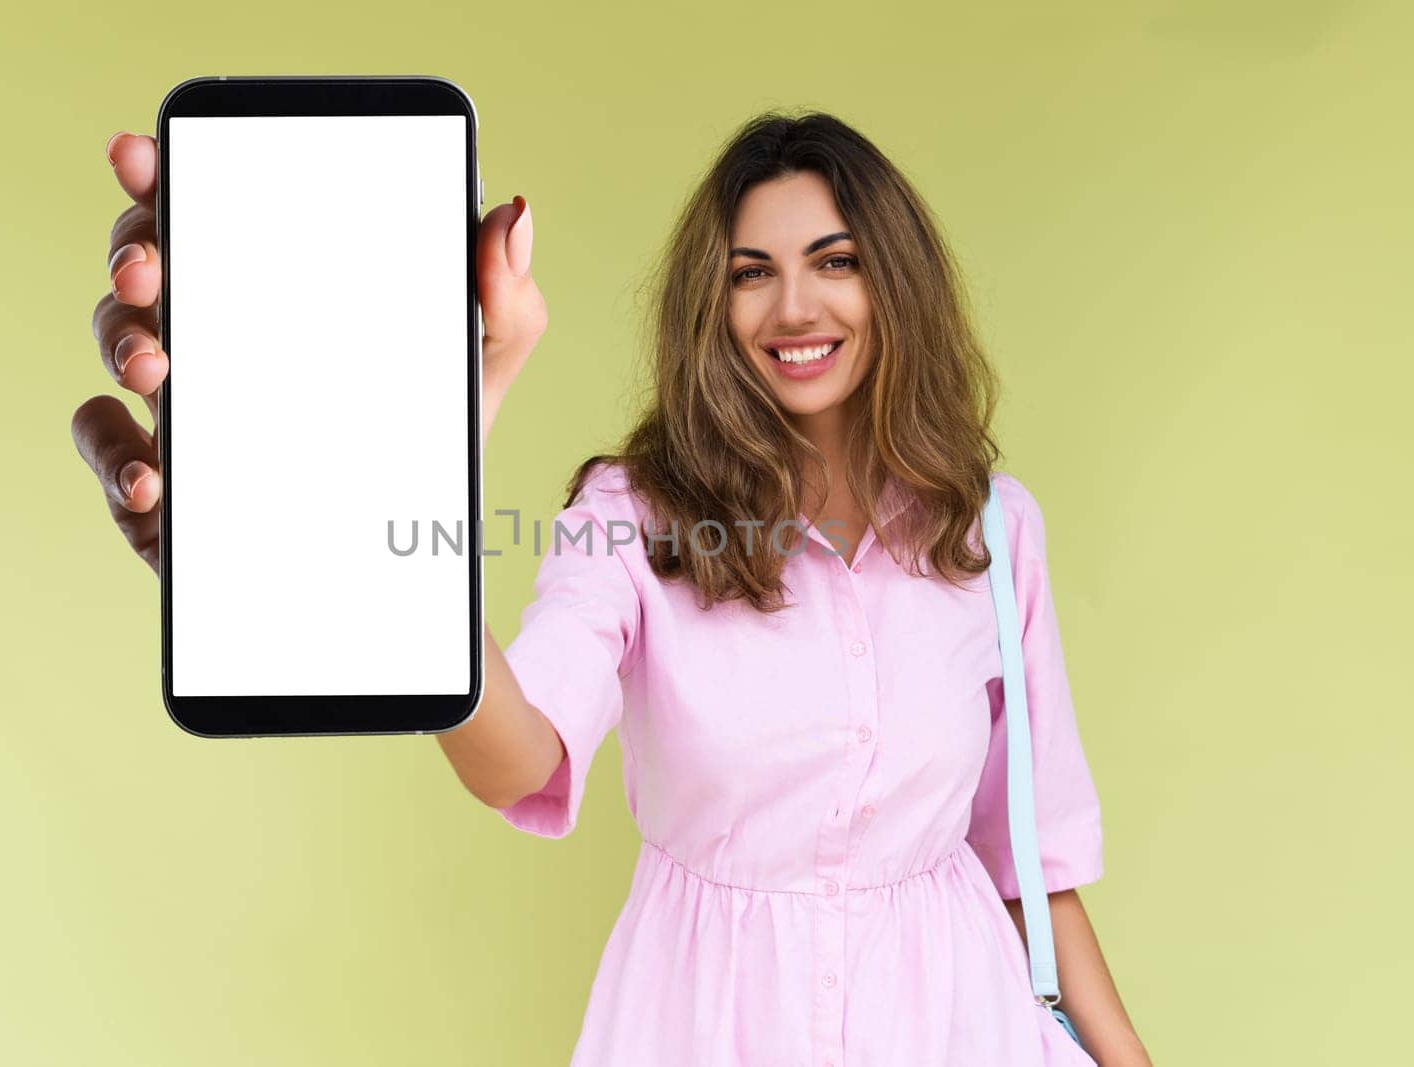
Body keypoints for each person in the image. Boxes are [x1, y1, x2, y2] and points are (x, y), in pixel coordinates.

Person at [75, 111, 1151, 1066]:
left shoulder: (994, 528)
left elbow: (1030, 862)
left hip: (961, 1024)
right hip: (699, 1025)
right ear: (710, 301)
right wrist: (389, 568)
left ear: (895, 283)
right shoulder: (634, 512)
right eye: (749, 272)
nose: (792, 306)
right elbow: (520, 757)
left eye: (835, 261)